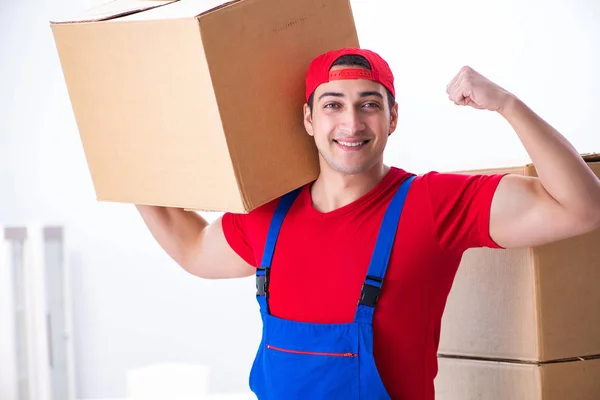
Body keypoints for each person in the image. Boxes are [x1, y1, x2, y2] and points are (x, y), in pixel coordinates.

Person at [136, 48, 600, 399]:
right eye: (333, 105)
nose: (352, 123)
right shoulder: (268, 217)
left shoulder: (432, 204)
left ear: (393, 117)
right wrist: (122, 154)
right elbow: (193, 247)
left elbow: (581, 208)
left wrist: (507, 104)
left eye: (369, 104)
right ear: (309, 118)